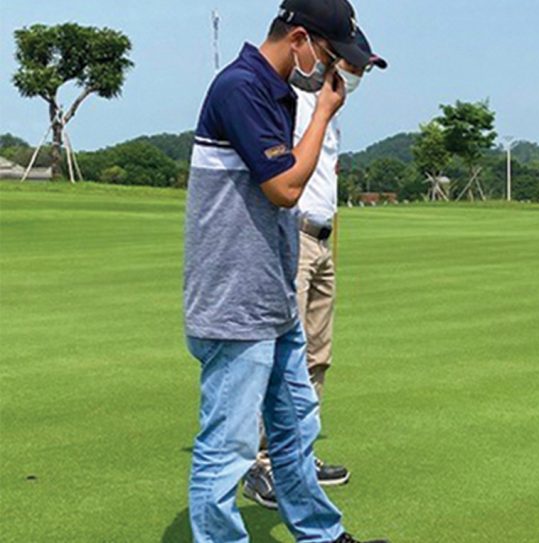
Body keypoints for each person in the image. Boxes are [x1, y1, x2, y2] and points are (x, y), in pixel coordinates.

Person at [182, 0, 387, 541]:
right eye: (325, 53)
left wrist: (317, 112)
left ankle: (320, 534)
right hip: (233, 302)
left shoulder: (272, 91)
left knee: (296, 429)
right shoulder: (241, 88)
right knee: (227, 448)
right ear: (298, 39)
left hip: (271, 298)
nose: (327, 68)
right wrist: (322, 113)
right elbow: (284, 187)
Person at [242, 21, 388, 511]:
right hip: (294, 236)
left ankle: (297, 456)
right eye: (353, 64)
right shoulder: (296, 97)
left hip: (324, 240)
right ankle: (262, 464)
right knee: (283, 354)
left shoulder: (331, 109)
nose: (357, 75)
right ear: (328, 56)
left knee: (317, 355)